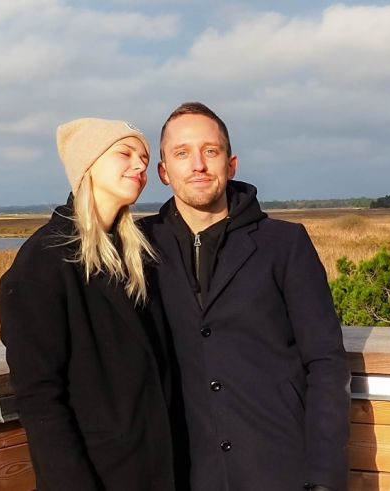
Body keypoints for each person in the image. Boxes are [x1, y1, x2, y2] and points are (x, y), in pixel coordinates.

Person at [140, 102, 350, 491]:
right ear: (164, 172)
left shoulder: (285, 244)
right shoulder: (140, 247)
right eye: (182, 153)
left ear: (231, 164)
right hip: (186, 472)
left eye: (211, 151)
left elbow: (326, 363)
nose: (198, 164)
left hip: (279, 469)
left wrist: (324, 479)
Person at [0, 118, 182, 490]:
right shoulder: (42, 263)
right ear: (88, 165)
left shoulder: (140, 254)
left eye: (144, 158)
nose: (140, 166)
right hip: (98, 475)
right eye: (124, 154)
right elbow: (39, 398)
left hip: (158, 470)